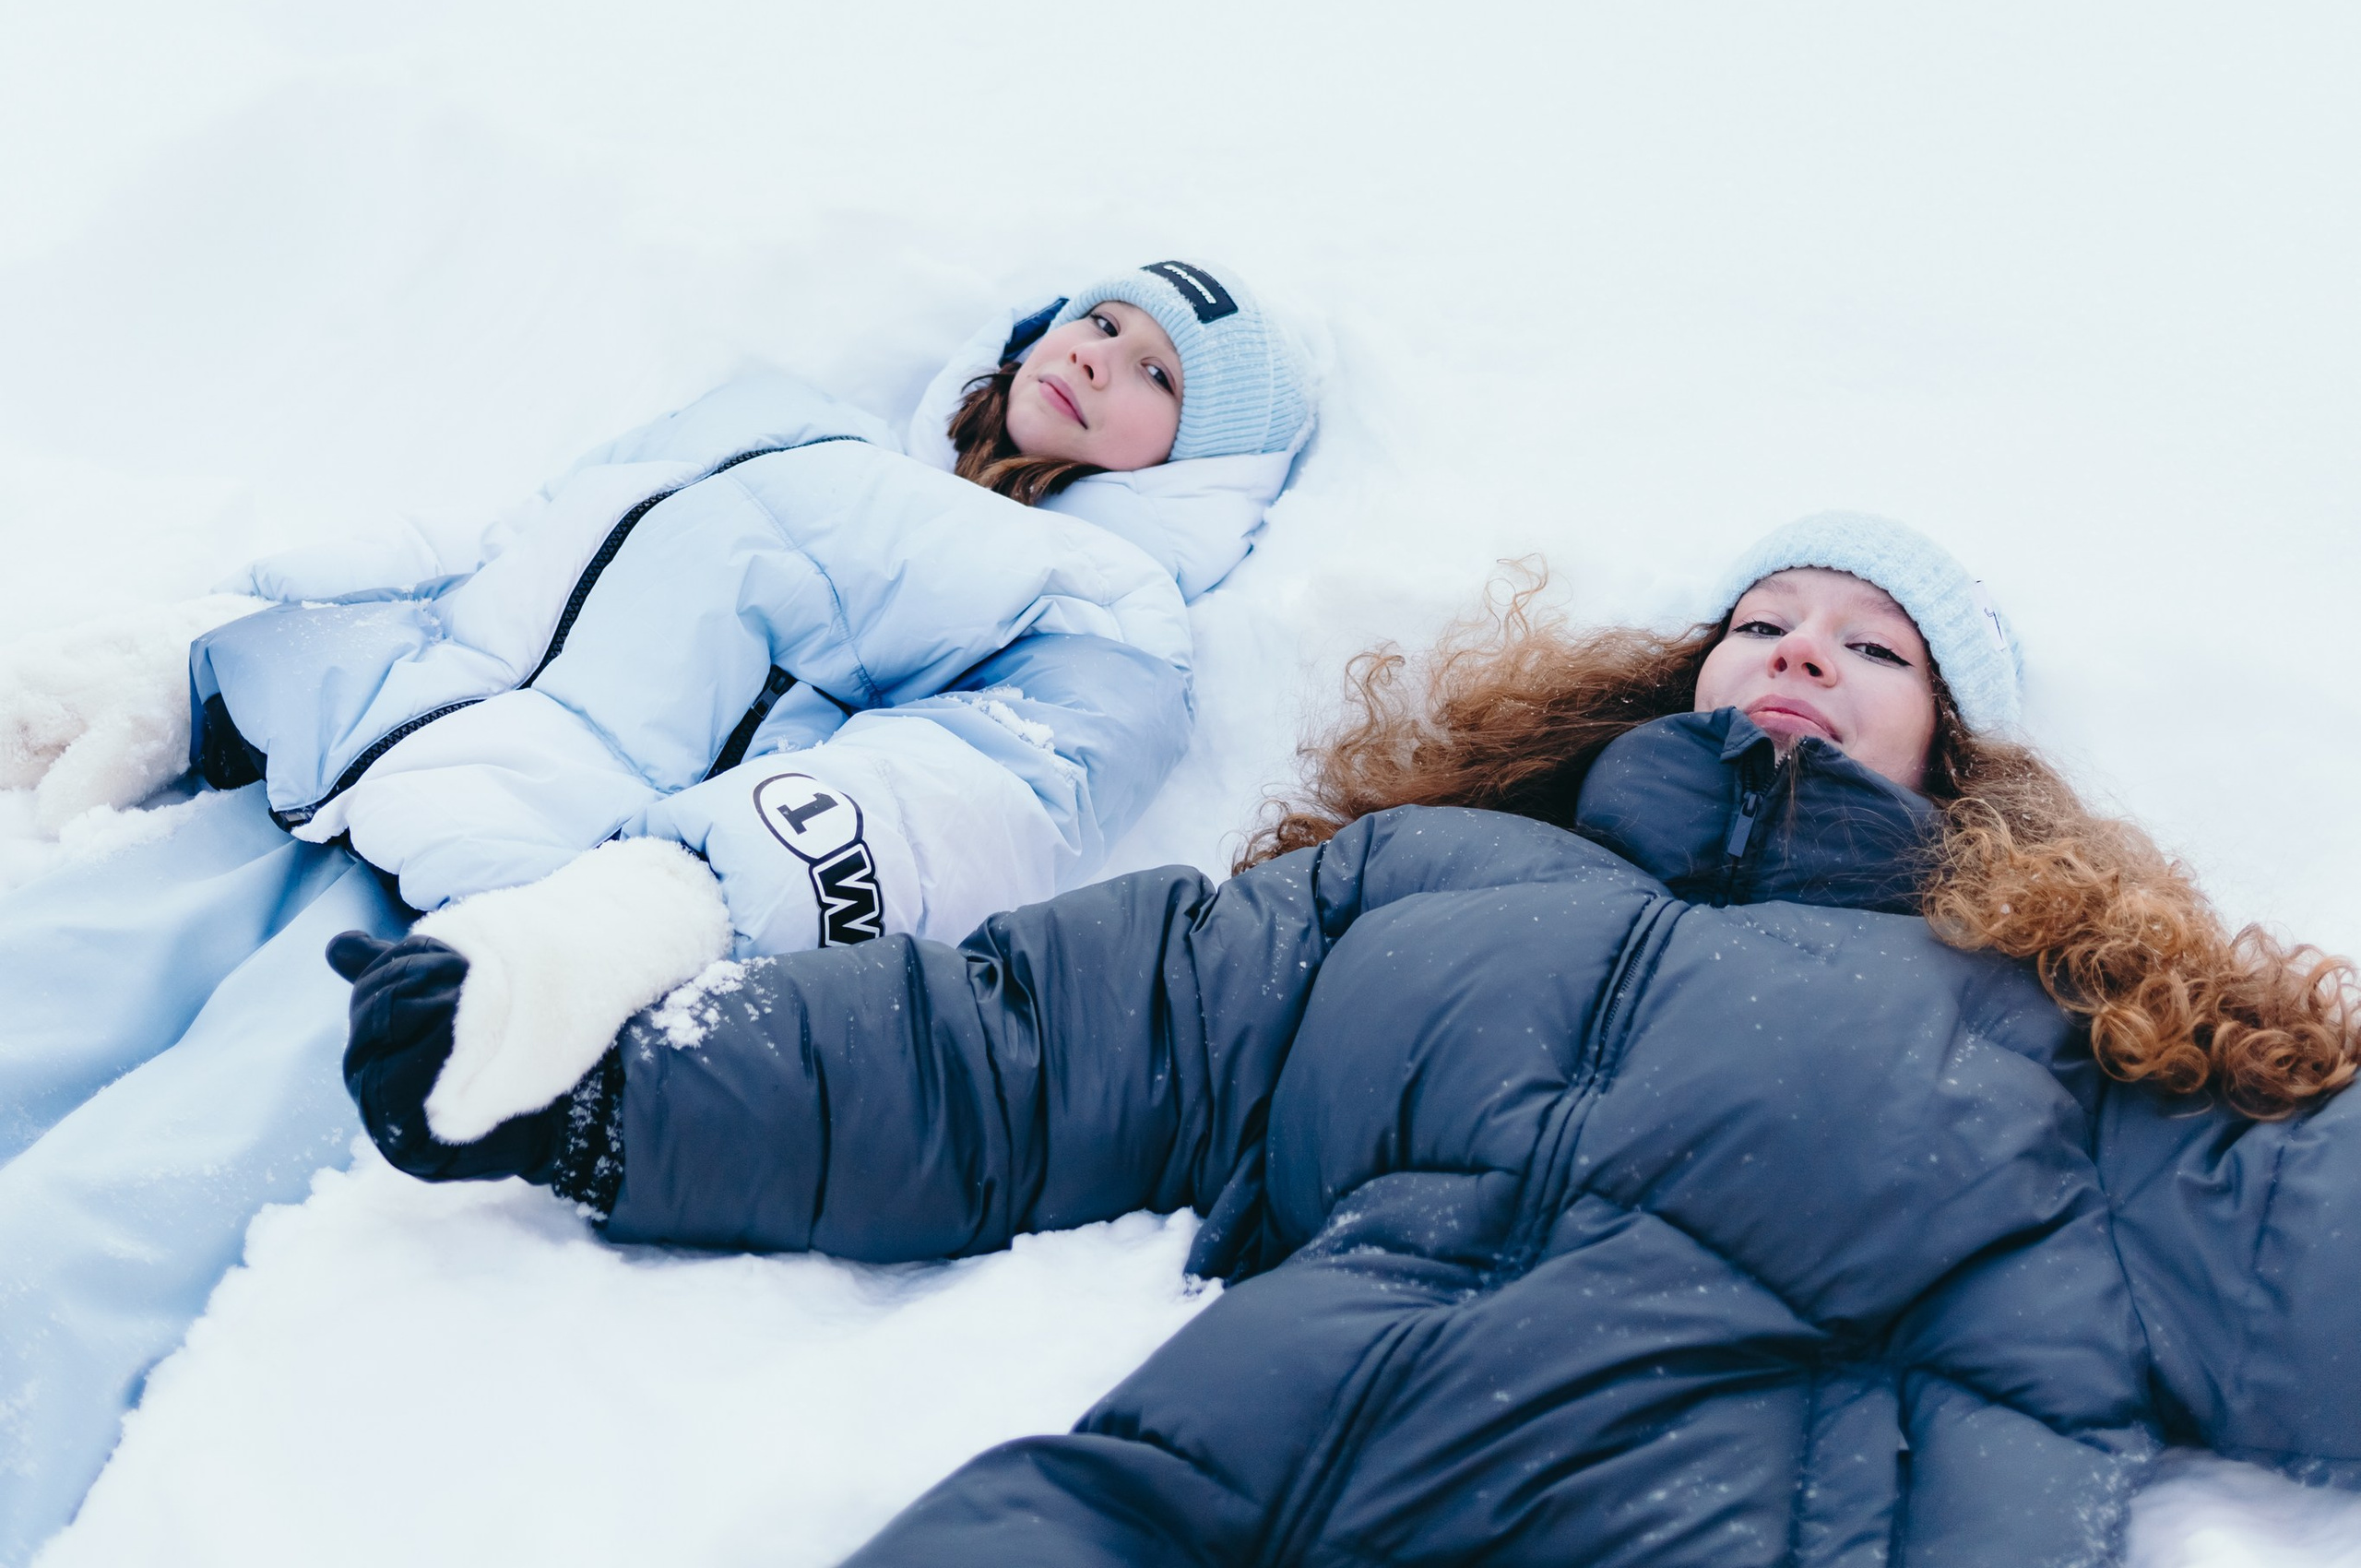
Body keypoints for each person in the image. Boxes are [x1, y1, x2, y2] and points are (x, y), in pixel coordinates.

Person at [338, 507, 2361, 1565]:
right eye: (1760, 623)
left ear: (1956, 748)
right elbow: (1028, 1041)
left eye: (1867, 646)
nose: (1797, 656)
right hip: (1191, 1503)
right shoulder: (1417, 885)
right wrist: (597, 1090)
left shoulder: (2059, 1028)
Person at [0, 255, 1316, 1563]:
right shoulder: (786, 420)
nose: (1099, 355)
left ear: (1197, 468)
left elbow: (963, 802)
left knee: (94, 1227)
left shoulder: (1103, 619)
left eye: (1160, 375)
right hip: (314, 786)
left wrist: (648, 906)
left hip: (482, 917)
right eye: (1098, 319)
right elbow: (502, 558)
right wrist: (202, 659)